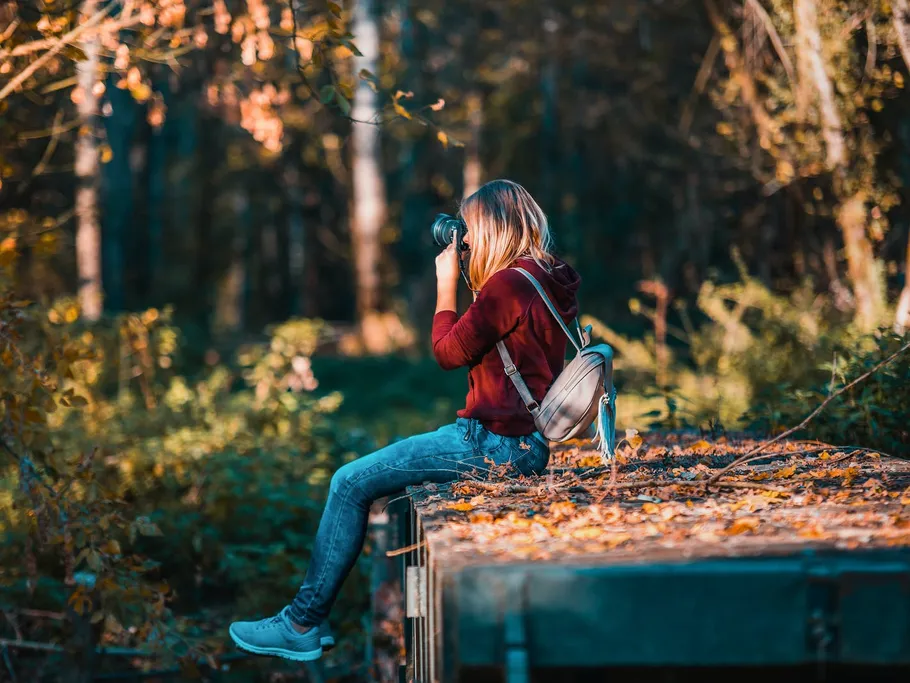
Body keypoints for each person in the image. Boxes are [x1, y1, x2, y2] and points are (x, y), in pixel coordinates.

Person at [228, 179, 581, 661]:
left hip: (492, 444)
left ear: (494, 228)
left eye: (472, 229)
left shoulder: (507, 285)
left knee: (349, 482)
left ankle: (301, 623)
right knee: (377, 473)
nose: (467, 240)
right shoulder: (549, 276)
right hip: (525, 443)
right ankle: (304, 620)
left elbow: (447, 352)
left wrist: (445, 284)